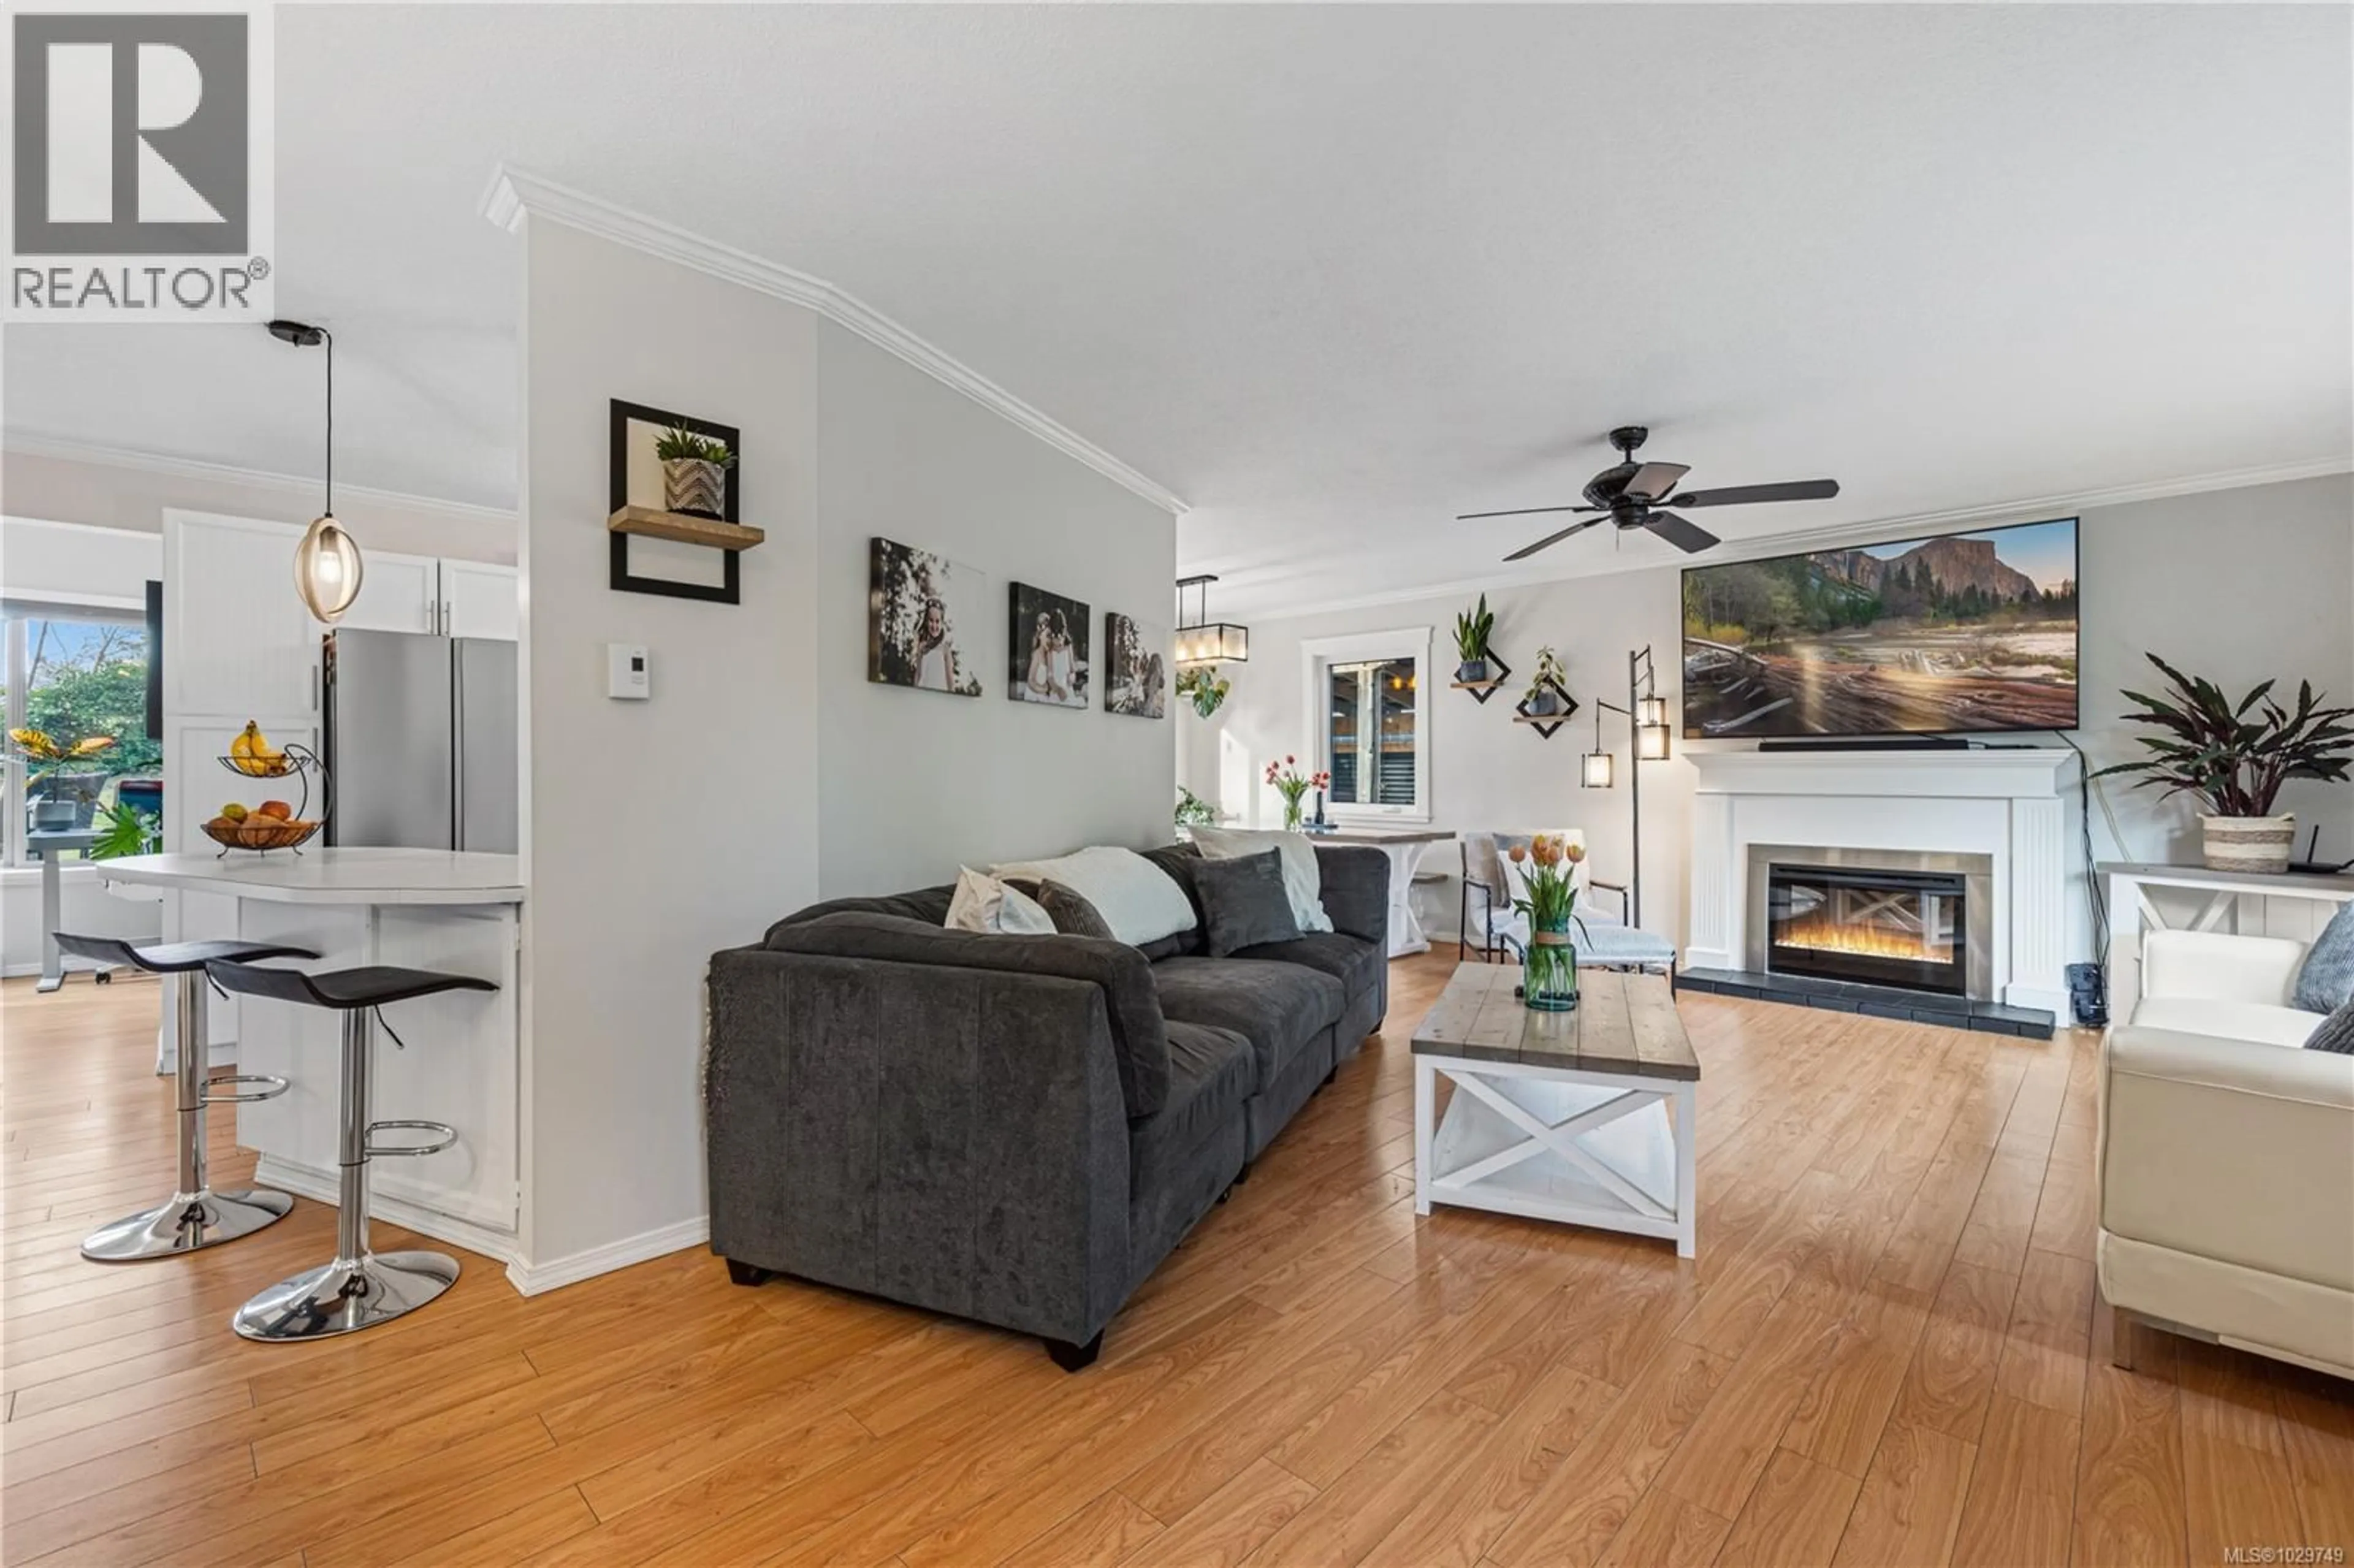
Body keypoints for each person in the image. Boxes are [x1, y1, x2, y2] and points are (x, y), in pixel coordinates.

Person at [913, 595, 958, 692]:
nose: (934, 625)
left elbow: (950, 679)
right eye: (931, 621)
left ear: (942, 623)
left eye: (937, 622)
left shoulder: (945, 650)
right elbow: (918, 674)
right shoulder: (922, 647)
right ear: (926, 622)